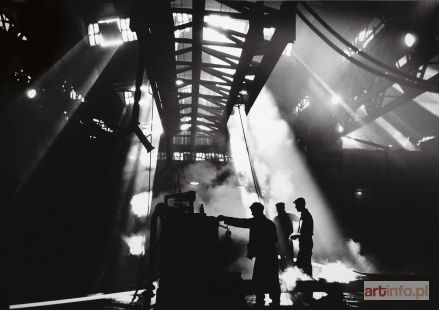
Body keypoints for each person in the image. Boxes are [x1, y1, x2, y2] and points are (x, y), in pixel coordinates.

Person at [218, 202, 280, 308]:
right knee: (272, 278)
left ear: (257, 210)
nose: (251, 211)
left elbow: (241, 222)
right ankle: (275, 301)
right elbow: (275, 239)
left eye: (253, 210)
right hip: (271, 255)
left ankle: (260, 300)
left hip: (263, 256)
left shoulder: (257, 222)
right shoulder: (269, 223)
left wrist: (225, 218)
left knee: (259, 279)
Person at [289, 197, 314, 277]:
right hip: (305, 244)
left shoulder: (306, 216)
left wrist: (296, 235)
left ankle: (308, 283)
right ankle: (309, 282)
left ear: (301, 205)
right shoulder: (304, 215)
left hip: (306, 244)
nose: (295, 207)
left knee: (302, 264)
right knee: (305, 264)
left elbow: (307, 233)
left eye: (296, 205)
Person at [273, 202, 298, 270]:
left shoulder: (279, 218)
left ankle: (288, 272)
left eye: (279, 208)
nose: (278, 210)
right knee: (285, 258)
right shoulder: (278, 218)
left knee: (286, 258)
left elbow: (300, 220)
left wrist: (296, 232)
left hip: (285, 240)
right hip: (281, 241)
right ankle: (288, 272)